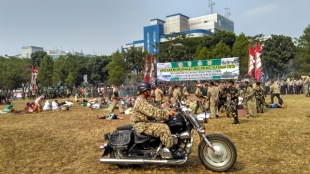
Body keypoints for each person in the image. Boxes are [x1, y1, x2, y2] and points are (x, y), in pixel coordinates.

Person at [131, 81, 184, 159]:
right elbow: (154, 112)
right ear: (144, 91)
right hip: (141, 124)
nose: (151, 91)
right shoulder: (140, 102)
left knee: (169, 123)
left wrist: (171, 110)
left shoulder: (147, 99)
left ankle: (174, 144)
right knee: (164, 128)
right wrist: (167, 114)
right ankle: (173, 151)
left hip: (147, 122)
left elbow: (158, 108)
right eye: (149, 90)